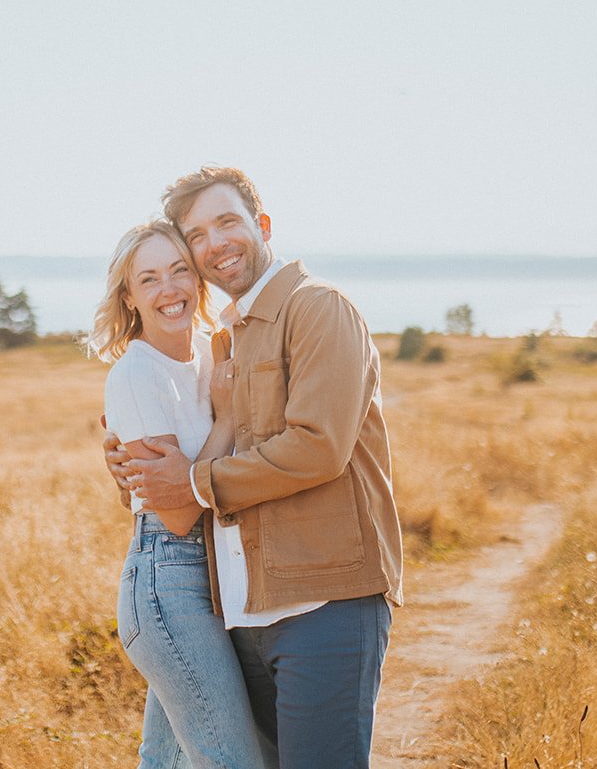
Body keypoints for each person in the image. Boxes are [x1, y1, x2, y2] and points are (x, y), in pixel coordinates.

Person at [109, 166, 404, 769]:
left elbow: (319, 446)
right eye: (198, 234)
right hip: (241, 611)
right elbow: (180, 467)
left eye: (227, 222)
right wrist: (131, 469)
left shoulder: (318, 307)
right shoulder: (224, 342)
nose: (215, 242)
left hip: (326, 604)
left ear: (261, 225)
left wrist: (191, 481)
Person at [90, 219, 269, 769]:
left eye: (178, 272)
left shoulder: (213, 352)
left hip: (221, 574)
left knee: (165, 762)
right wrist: (227, 415)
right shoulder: (134, 375)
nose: (169, 290)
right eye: (149, 280)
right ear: (130, 296)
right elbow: (175, 512)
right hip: (170, 584)